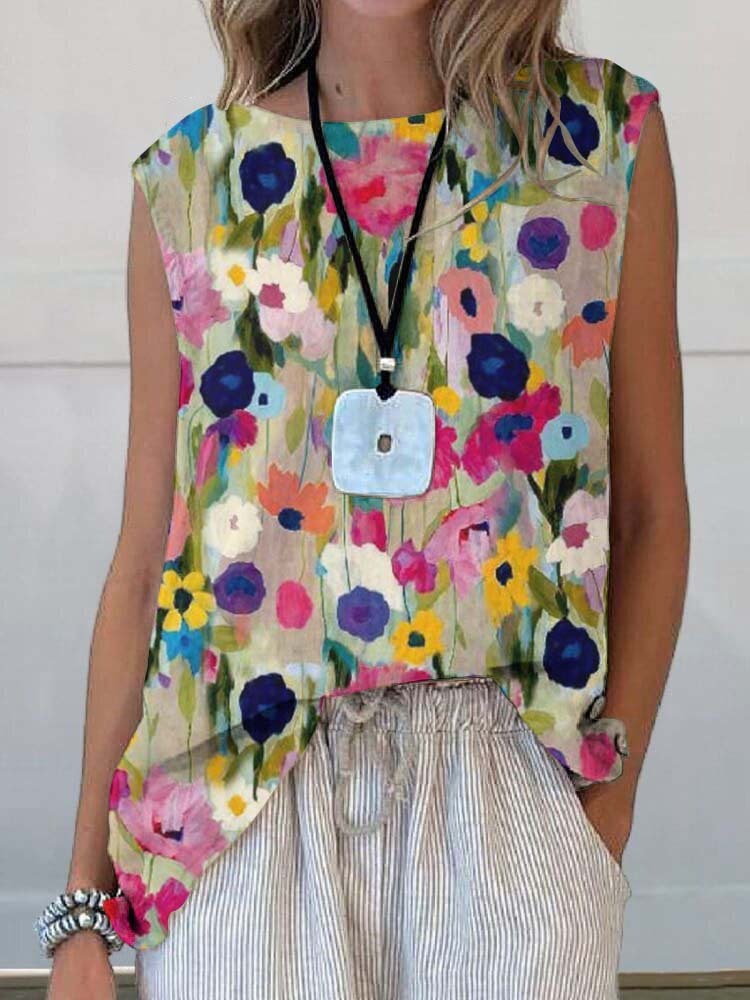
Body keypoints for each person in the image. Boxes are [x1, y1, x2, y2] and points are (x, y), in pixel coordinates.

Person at [41, 0, 688, 997]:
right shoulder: (192, 181)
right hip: (239, 810)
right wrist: (84, 902)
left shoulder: (597, 141)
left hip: (511, 790)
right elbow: (145, 565)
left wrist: (606, 809)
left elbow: (650, 510)